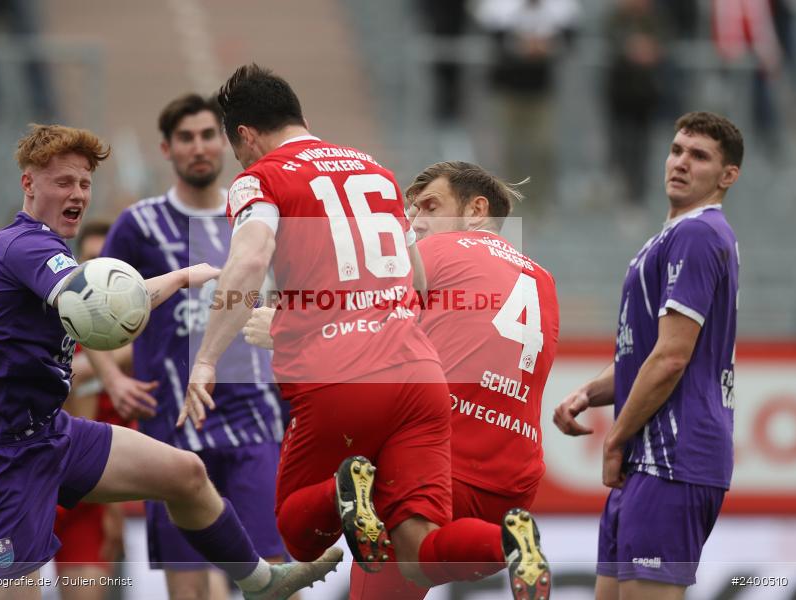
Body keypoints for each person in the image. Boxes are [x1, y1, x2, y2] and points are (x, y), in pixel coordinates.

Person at [0, 124, 341, 600]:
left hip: (48, 434)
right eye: (63, 182)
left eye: (85, 183)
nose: (78, 194)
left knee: (187, 475)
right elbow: (100, 307)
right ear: (28, 184)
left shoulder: (35, 245)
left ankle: (262, 582)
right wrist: (179, 278)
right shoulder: (27, 245)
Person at [182, 63, 550, 600]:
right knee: (418, 547)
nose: (240, 160)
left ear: (245, 134)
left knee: (295, 531)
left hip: (340, 379)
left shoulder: (259, 178)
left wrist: (208, 357)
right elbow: (416, 275)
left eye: (237, 149)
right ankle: (510, 545)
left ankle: (343, 491)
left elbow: (249, 259)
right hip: (420, 380)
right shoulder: (373, 170)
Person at [243, 161, 559, 600]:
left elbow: (348, 319)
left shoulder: (437, 253)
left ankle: (341, 491)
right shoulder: (543, 280)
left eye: (430, 206)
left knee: (306, 530)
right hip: (515, 475)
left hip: (433, 458)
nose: (414, 221)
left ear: (476, 210)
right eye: (410, 211)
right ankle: (509, 542)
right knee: (421, 562)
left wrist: (279, 329)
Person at [88, 93, 287, 600]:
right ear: (166, 149)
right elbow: (89, 309)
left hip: (255, 420)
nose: (198, 147)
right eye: (185, 138)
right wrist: (113, 378)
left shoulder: (256, 217)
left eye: (206, 135)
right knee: (190, 590)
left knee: (276, 581)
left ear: (223, 143)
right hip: (173, 428)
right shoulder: (139, 225)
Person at [553, 111, 743, 600]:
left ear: (727, 176)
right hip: (649, 459)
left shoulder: (699, 234)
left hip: (674, 458)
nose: (681, 162)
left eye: (699, 156)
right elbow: (644, 356)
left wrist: (615, 437)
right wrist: (588, 393)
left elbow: (672, 358)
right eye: (677, 149)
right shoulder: (670, 237)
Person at [54, 219, 130, 600]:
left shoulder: (136, 337)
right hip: (42, 482)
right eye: (89, 264)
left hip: (99, 490)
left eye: (107, 264)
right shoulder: (55, 325)